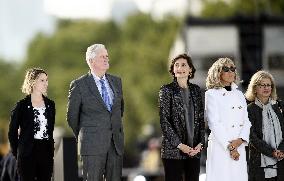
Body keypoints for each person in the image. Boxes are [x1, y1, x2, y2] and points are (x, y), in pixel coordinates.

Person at [67, 43, 124, 181]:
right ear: (91, 61)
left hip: (115, 145)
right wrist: (85, 135)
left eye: (107, 56)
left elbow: (119, 110)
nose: (106, 59)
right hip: (91, 145)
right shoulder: (79, 85)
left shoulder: (117, 81)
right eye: (102, 56)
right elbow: (71, 117)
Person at [159, 53, 205, 181]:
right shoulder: (166, 90)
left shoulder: (196, 90)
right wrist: (180, 145)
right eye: (176, 65)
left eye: (183, 65)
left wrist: (200, 144)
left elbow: (201, 121)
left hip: (194, 151)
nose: (180, 68)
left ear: (190, 69)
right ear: (173, 70)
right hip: (173, 152)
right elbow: (164, 122)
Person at [205, 58, 251, 181]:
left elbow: (247, 121)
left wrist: (240, 140)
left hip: (239, 146)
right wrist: (230, 147)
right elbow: (214, 123)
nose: (231, 72)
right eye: (226, 69)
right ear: (218, 72)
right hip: (221, 147)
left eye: (233, 69)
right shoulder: (211, 94)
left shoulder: (240, 94)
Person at [8, 68, 55, 181]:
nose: (46, 83)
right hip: (27, 153)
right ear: (33, 82)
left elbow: (50, 129)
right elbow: (12, 132)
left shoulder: (50, 104)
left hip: (45, 153)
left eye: (46, 80)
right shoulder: (21, 105)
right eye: (42, 80)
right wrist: (18, 152)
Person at [245, 70, 284, 181]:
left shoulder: (279, 107)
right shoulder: (249, 109)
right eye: (262, 85)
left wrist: (281, 150)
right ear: (255, 88)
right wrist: (272, 152)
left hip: (280, 162)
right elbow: (252, 138)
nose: (266, 88)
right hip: (260, 164)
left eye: (268, 85)